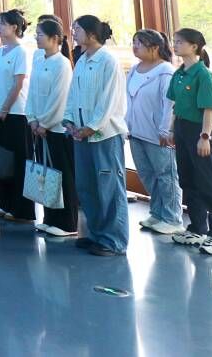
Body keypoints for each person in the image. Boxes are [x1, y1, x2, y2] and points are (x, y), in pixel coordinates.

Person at [62, 15, 129, 257]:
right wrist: (69, 120)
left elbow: (108, 100)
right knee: (87, 186)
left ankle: (114, 241)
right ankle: (96, 233)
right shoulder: (82, 60)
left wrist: (92, 126)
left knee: (109, 187)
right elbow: (74, 94)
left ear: (91, 34)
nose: (74, 33)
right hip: (81, 134)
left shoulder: (108, 61)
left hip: (104, 135)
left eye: (77, 29)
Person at [168, 28, 212, 255]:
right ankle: (197, 228)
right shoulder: (179, 73)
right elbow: (175, 104)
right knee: (188, 179)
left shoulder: (203, 74)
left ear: (194, 46)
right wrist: (171, 129)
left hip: (199, 130)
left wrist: (205, 137)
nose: (175, 45)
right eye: (174, 41)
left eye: (179, 42)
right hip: (182, 128)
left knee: (208, 182)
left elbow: (209, 108)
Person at [126, 29, 183, 235]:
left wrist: (165, 129)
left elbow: (169, 104)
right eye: (133, 42)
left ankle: (172, 218)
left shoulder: (165, 71)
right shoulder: (134, 69)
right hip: (136, 132)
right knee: (148, 175)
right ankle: (157, 213)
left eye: (139, 43)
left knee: (166, 175)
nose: (135, 47)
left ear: (155, 47)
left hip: (158, 135)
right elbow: (129, 100)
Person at [25, 18, 78, 237]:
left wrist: (44, 123)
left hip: (55, 129)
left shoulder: (62, 64)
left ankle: (67, 223)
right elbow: (32, 92)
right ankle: (50, 217)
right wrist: (32, 119)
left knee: (61, 174)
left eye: (40, 34)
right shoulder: (39, 59)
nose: (36, 37)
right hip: (39, 127)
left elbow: (59, 98)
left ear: (55, 38)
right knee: (46, 174)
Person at [0, 9, 35, 223]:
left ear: (14, 27)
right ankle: (6, 203)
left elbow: (18, 84)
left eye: (2, 23)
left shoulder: (21, 52)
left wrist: (5, 108)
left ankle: (22, 209)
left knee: (19, 161)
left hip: (17, 113)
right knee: (2, 160)